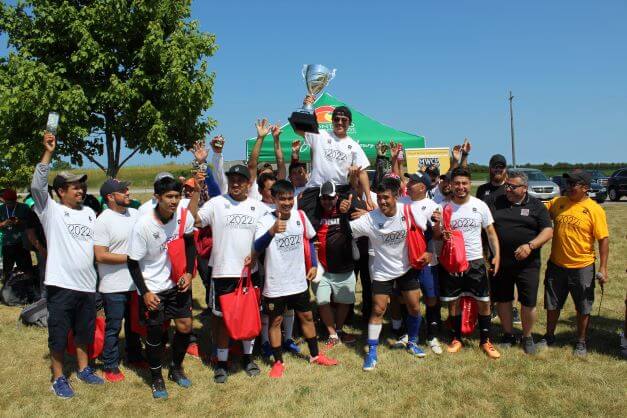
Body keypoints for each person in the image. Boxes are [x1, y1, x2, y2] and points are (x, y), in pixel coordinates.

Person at [32, 132, 103, 398]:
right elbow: (37, 186)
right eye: (75, 186)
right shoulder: (49, 210)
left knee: (83, 331)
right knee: (59, 335)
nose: (81, 190)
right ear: (61, 191)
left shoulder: (88, 213)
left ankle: (84, 370)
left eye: (82, 186)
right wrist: (48, 152)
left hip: (87, 285)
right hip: (60, 285)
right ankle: (59, 377)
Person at [253, 180, 338, 378]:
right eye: (282, 199)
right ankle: (278, 362)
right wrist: (272, 231)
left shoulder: (300, 216)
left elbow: (308, 240)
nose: (286, 202)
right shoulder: (265, 220)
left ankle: (315, 355)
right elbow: (257, 247)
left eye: (290, 198)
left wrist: (314, 265)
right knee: (276, 321)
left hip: (298, 281)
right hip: (275, 282)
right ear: (273, 199)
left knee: (307, 317)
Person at [350, 178, 432, 371]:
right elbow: (347, 230)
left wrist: (429, 251)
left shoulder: (409, 211)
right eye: (379, 198)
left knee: (414, 307)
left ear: (397, 196)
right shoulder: (370, 218)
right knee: (378, 310)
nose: (382, 202)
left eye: (386, 197)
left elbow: (427, 231)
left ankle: (412, 342)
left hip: (407, 268)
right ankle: (371, 351)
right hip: (382, 271)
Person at [195, 164, 267, 384]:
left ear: (248, 183)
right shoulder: (216, 203)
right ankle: (222, 363)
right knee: (224, 321)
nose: (236, 183)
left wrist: (255, 253)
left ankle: (248, 359)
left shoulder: (258, 207)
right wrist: (197, 190)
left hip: (249, 273)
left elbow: (264, 236)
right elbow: (195, 222)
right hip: (222, 273)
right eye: (232, 179)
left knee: (249, 317)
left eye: (241, 180)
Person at [127, 176, 197, 398]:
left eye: (177, 196)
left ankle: (176, 368)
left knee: (185, 326)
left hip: (177, 283)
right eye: (169, 196)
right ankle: (156, 377)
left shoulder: (183, 217)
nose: (174, 201)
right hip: (153, 287)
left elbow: (190, 243)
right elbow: (132, 262)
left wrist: (187, 272)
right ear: (157, 197)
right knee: (156, 333)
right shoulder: (144, 225)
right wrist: (145, 292)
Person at [539, 170, 609, 357]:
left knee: (583, 305)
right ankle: (549, 336)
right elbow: (538, 212)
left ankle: (581, 341)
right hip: (557, 265)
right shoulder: (558, 203)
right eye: (567, 183)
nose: (568, 187)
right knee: (552, 303)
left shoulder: (595, 210)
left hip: (582, 266)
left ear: (585, 188)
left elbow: (603, 239)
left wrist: (602, 267)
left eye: (573, 184)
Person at [436, 167, 502, 359]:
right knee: (454, 302)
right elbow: (437, 235)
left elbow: (490, 232)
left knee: (483, 301)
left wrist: (496, 255)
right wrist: (442, 233)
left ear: (469, 184)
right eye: (457, 183)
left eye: (464, 183)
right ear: (451, 185)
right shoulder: (444, 207)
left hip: (475, 261)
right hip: (453, 262)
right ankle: (456, 339)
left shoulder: (480, 205)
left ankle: (485, 341)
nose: (461, 187)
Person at [485, 170, 553, 354]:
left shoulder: (537, 206)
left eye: (512, 186)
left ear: (525, 188)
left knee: (528, 302)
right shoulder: (494, 201)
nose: (507, 189)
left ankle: (527, 336)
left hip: (528, 264)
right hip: (501, 261)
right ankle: (508, 334)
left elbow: (547, 230)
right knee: (503, 299)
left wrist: (530, 246)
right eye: (507, 185)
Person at [94, 179, 146, 382]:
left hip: (135, 283)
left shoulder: (135, 214)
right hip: (113, 285)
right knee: (114, 326)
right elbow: (100, 255)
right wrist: (131, 257)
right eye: (122, 190)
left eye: (127, 188)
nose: (127, 192)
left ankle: (134, 356)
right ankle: (110, 364)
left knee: (134, 325)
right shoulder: (103, 220)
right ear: (110, 197)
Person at [295, 97, 374, 221]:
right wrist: (306, 107)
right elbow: (299, 129)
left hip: (341, 189)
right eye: (336, 119)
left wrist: (368, 197)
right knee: (305, 223)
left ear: (350, 122)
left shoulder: (354, 146)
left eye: (344, 120)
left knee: (359, 217)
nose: (340, 122)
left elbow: (362, 172)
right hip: (316, 187)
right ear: (332, 121)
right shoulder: (320, 135)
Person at [399, 172, 444, 354]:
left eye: (413, 182)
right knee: (406, 298)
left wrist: (438, 225)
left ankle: (432, 335)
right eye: (409, 181)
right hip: (404, 261)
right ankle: (409, 334)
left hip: (427, 261)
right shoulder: (401, 202)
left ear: (422, 187)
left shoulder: (432, 206)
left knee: (431, 298)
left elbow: (436, 236)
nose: (408, 184)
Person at [312, 181, 358, 348]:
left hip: (344, 267)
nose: (327, 201)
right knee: (322, 301)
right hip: (321, 268)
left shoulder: (346, 207)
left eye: (330, 198)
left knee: (344, 302)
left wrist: (350, 210)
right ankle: (331, 333)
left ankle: (338, 330)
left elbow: (363, 213)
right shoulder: (315, 211)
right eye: (323, 198)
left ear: (336, 197)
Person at [0, 188, 34, 283]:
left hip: (22, 243)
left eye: (12, 202)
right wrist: (4, 224)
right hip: (7, 243)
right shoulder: (1, 209)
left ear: (16, 200)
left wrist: (19, 222)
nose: (10, 204)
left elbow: (32, 223)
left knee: (27, 270)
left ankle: (29, 289)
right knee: (7, 271)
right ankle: (8, 291)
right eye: (8, 202)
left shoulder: (24, 207)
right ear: (4, 200)